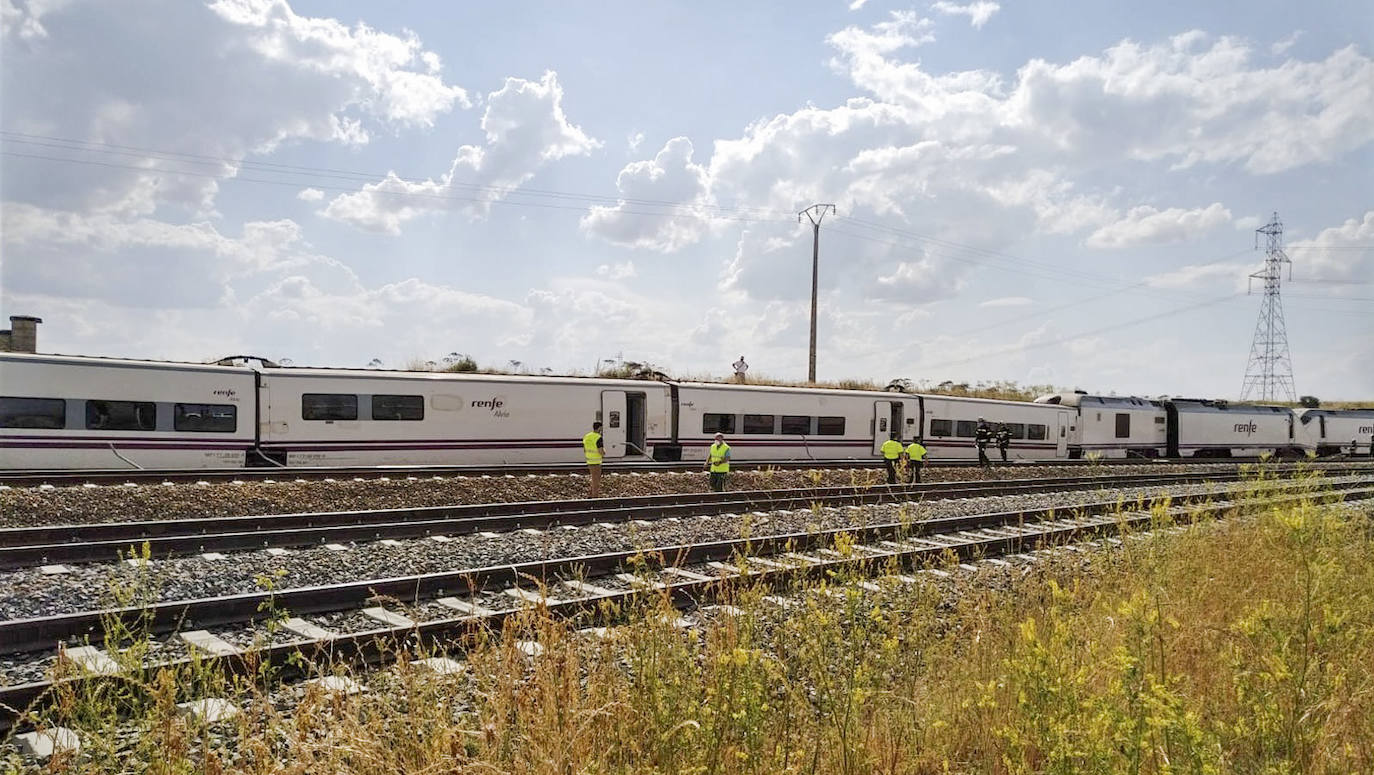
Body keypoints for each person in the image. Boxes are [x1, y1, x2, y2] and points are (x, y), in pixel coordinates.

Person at [582, 421, 605, 497]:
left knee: (594, 479)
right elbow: (600, 451)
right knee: (596, 481)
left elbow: (585, 449)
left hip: (589, 460)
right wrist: (604, 453)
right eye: (601, 428)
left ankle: (590, 495)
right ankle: (595, 498)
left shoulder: (587, 436)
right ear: (599, 428)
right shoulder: (598, 437)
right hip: (596, 461)